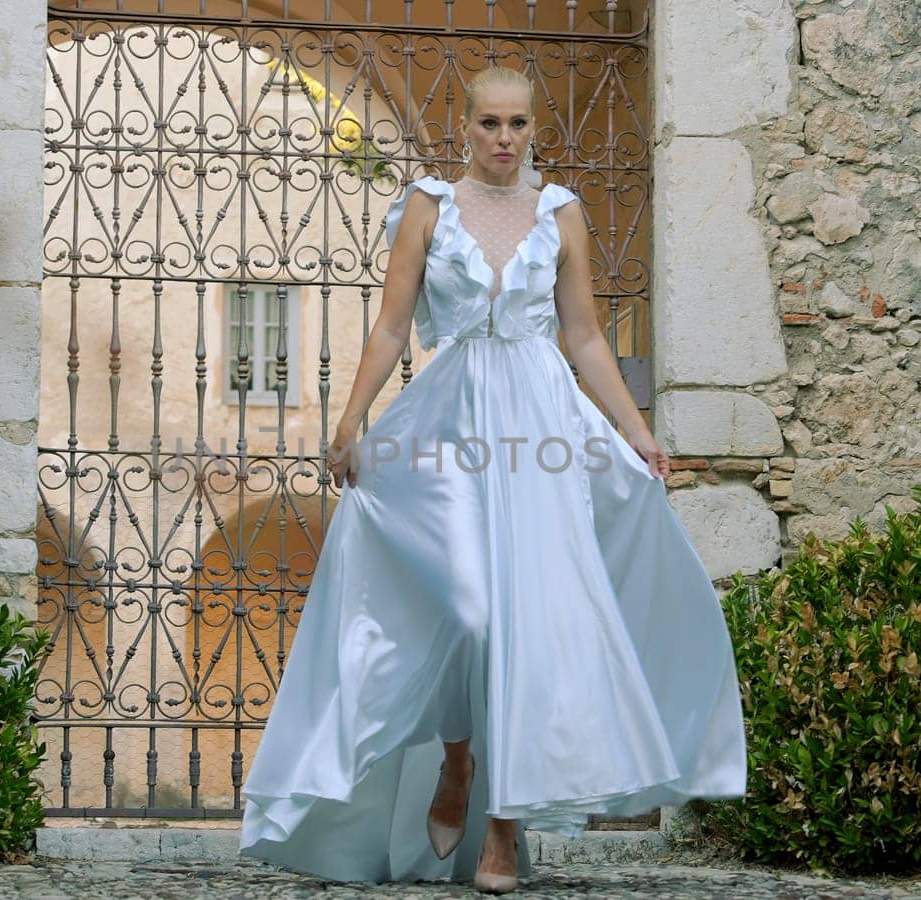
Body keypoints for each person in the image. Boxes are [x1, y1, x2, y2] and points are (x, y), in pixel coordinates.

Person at [238, 66, 746, 893]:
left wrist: (638, 432)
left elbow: (583, 339)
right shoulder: (427, 208)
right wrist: (350, 419)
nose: (503, 139)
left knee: (527, 623)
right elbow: (393, 324)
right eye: (488, 124)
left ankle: (503, 832)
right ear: (463, 126)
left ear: (533, 128)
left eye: (516, 124)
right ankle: (458, 759)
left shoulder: (563, 213)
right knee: (469, 611)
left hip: (543, 422)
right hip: (449, 424)